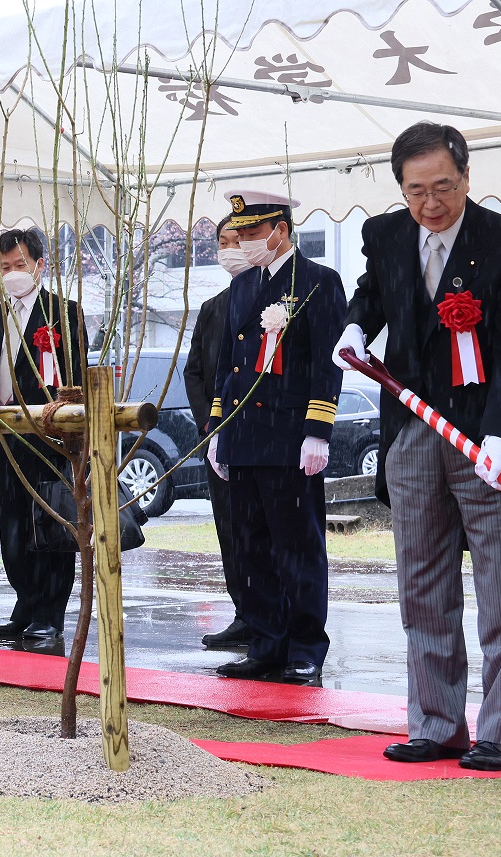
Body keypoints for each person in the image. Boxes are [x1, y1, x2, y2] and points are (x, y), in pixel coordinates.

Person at [335, 122, 501, 772]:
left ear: (466, 177)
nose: (431, 203)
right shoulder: (385, 234)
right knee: (422, 585)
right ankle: (435, 722)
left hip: (487, 440)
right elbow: (374, 293)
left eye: (444, 187)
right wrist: (355, 324)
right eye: (416, 190)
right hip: (412, 431)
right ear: (401, 187)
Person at [206, 189, 345, 682]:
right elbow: (228, 364)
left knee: (297, 547)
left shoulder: (318, 281)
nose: (243, 241)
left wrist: (318, 431)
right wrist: (218, 429)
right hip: (245, 435)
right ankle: (266, 643)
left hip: (289, 437)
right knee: (252, 548)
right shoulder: (244, 284)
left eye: (252, 231)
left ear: (280, 230)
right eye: (238, 232)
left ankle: (305, 647)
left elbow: (327, 362)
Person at [0, 228, 86, 641]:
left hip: (49, 439)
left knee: (51, 527)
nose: (12, 273)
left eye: (19, 264)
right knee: (13, 530)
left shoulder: (63, 313)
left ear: (40, 265)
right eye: (4, 267)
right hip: (6, 440)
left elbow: (75, 377)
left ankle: (50, 614)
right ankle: (25, 603)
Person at [185, 216, 252, 649]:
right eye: (222, 242)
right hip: (218, 439)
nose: (230, 250)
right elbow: (194, 371)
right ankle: (243, 612)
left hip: (262, 438)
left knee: (262, 531)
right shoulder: (212, 308)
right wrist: (209, 426)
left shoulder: (278, 298)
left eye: (238, 240)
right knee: (229, 528)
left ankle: (273, 617)